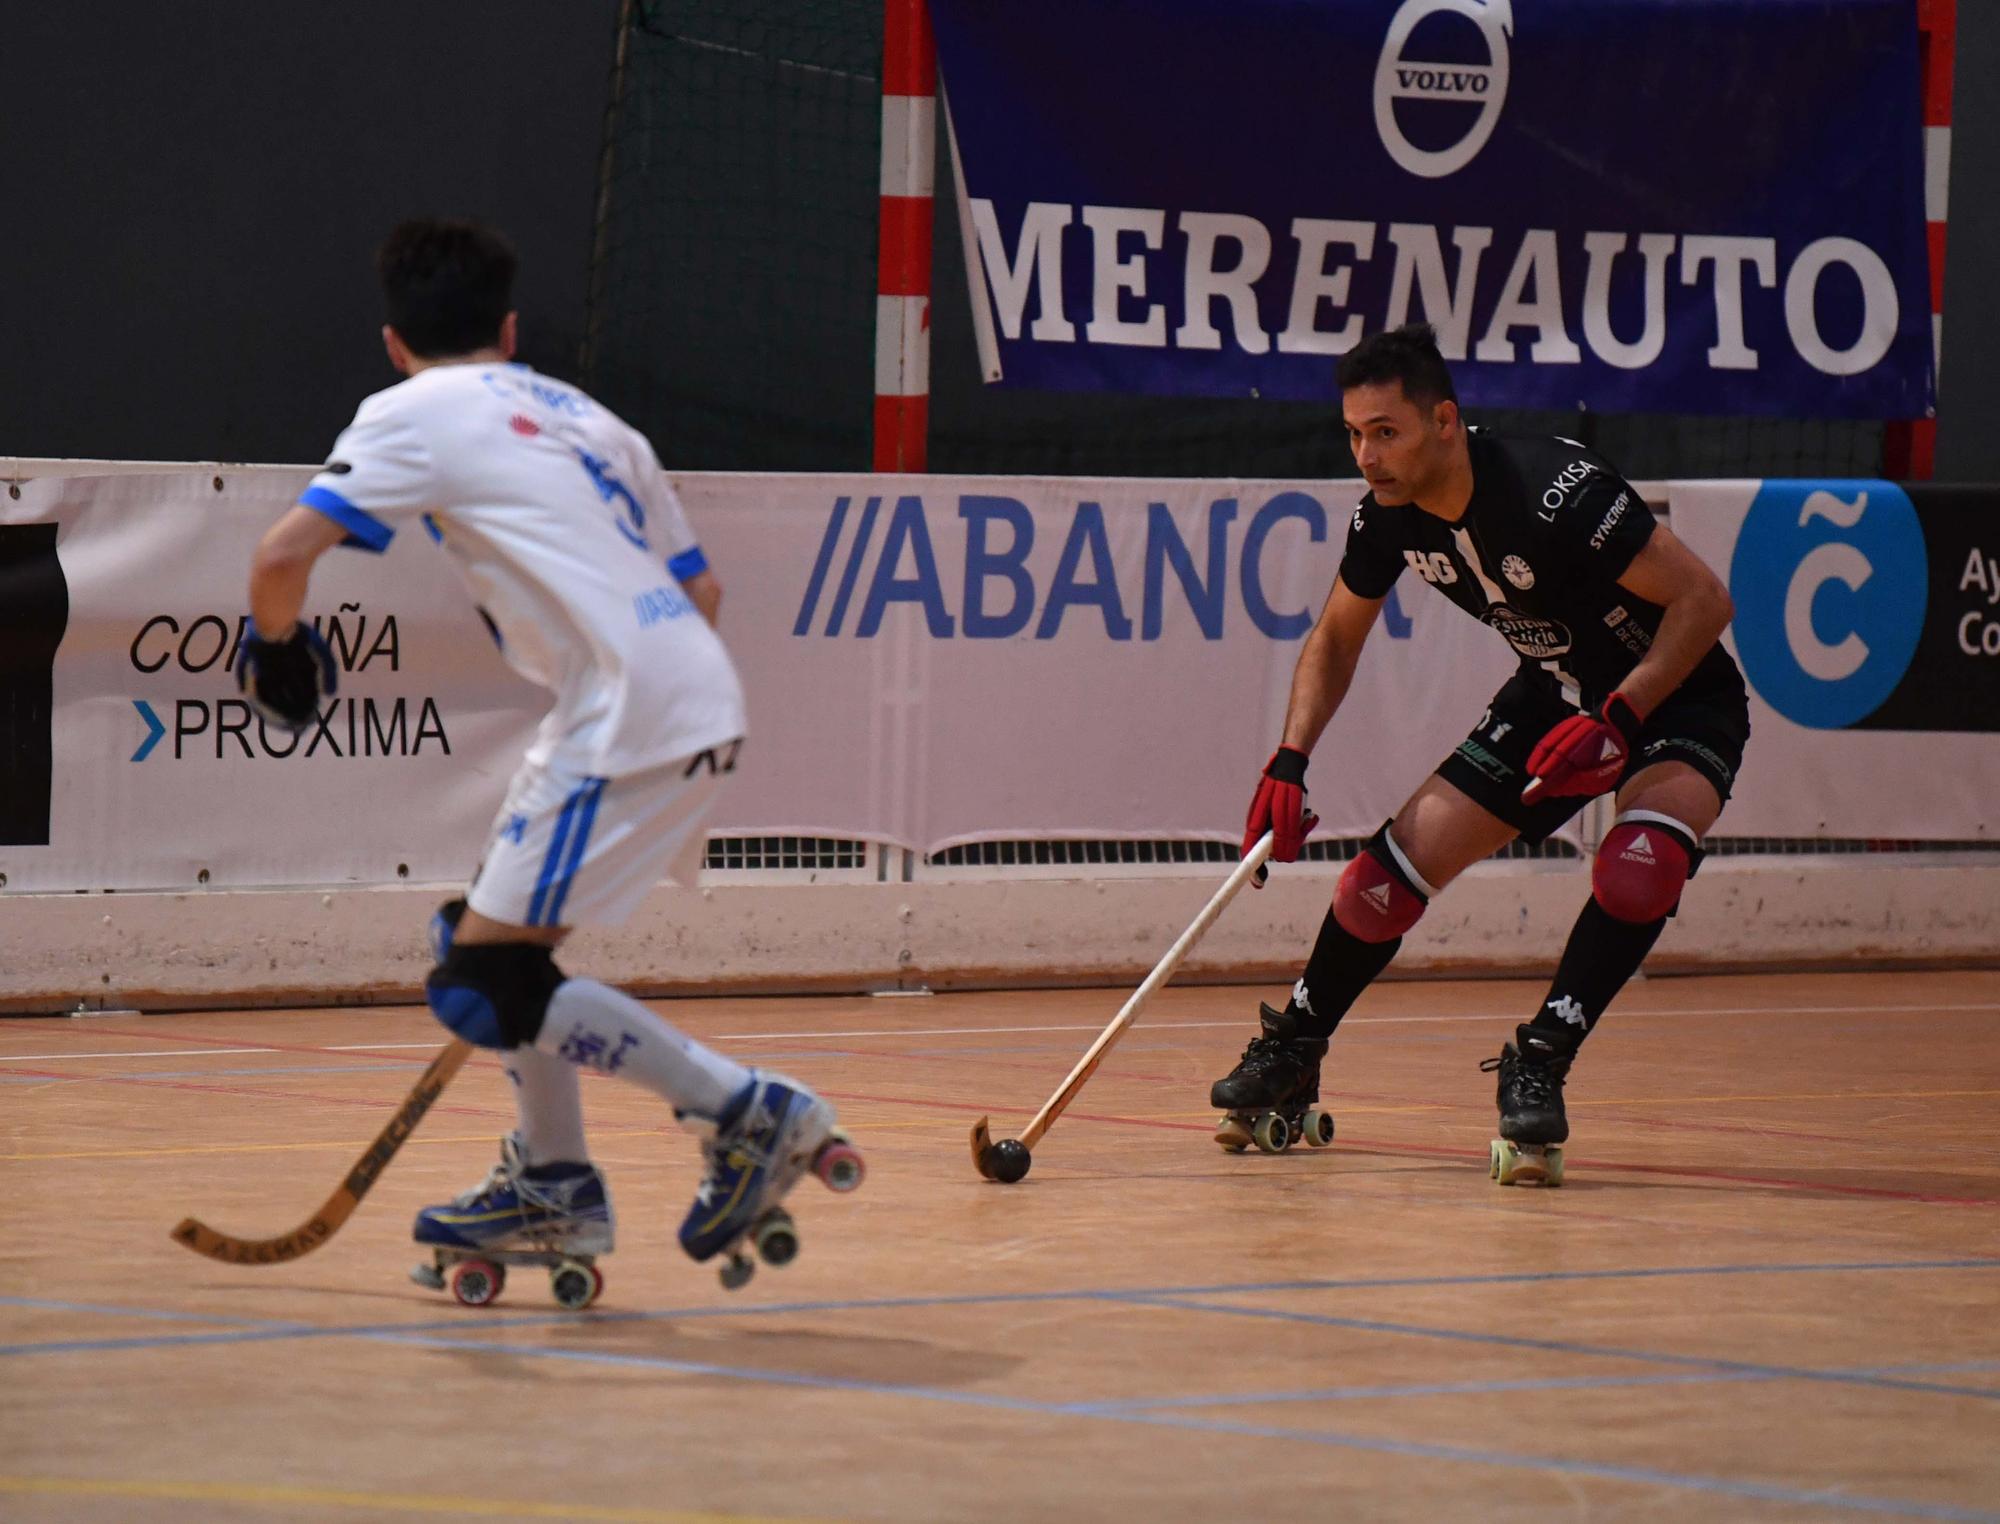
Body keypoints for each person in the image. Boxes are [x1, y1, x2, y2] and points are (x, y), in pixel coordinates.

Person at [237, 218, 860, 1298]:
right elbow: (703, 592)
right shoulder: (595, 421)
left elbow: (281, 554)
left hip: (626, 712)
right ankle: (557, 1182)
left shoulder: (409, 411)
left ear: (394, 342)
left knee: (482, 981)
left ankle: (749, 1111)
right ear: (511, 329)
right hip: (662, 696)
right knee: (482, 951)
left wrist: (276, 649)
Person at [1217, 322, 1747, 1183]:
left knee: (1638, 869)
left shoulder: (1556, 491)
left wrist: (1621, 713)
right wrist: (1289, 759)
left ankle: (1542, 1056)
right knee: (1377, 883)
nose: (1367, 456)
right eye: (1354, 434)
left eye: (1385, 432)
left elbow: (1704, 602)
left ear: (1445, 422)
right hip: (1552, 698)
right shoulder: (1384, 518)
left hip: (1676, 697)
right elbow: (1336, 639)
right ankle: (1295, 1049)